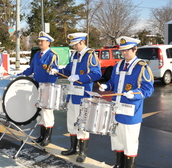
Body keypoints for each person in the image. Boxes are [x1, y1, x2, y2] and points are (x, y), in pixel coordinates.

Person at [99, 36, 154, 168]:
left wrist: (134, 94)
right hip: (116, 109)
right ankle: (119, 164)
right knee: (117, 139)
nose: (123, 53)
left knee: (129, 142)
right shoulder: (118, 65)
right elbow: (113, 83)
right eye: (122, 50)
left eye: (126, 50)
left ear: (135, 49)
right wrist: (107, 86)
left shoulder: (142, 67)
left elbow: (148, 89)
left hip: (131, 111)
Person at [50, 32, 102, 162]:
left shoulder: (90, 55)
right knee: (72, 122)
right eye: (73, 45)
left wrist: (80, 77)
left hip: (84, 95)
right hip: (72, 94)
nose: (74, 47)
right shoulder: (74, 55)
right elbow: (68, 71)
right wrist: (57, 71)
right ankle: (73, 148)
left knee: (83, 124)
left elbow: (97, 74)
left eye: (75, 44)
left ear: (82, 42)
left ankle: (82, 152)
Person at [20, 31, 59, 147]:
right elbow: (31, 69)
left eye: (42, 41)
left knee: (47, 112)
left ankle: (47, 137)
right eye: (39, 41)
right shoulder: (37, 55)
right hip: (37, 86)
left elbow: (54, 72)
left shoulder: (52, 55)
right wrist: (21, 74)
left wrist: (48, 88)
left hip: (47, 87)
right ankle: (41, 136)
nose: (40, 43)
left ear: (48, 42)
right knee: (40, 112)